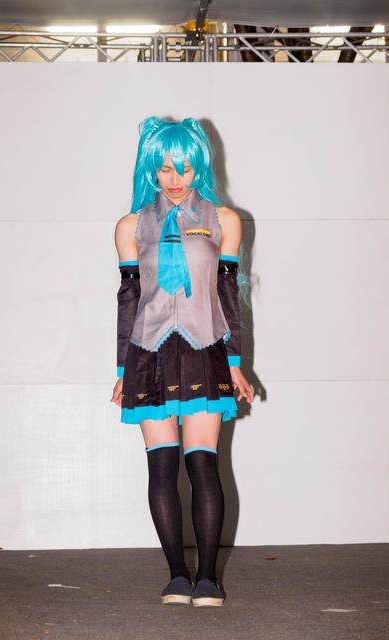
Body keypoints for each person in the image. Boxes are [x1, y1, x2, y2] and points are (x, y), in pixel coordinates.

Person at [110, 116, 254, 607]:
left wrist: (234, 362)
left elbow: (228, 295)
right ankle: (176, 576)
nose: (175, 179)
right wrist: (121, 370)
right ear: (150, 168)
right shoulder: (131, 226)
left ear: (200, 168)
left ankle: (208, 579)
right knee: (161, 467)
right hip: (148, 355)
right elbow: (128, 300)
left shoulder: (223, 220)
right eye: (166, 168)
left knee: (202, 465)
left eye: (186, 169)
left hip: (204, 350)